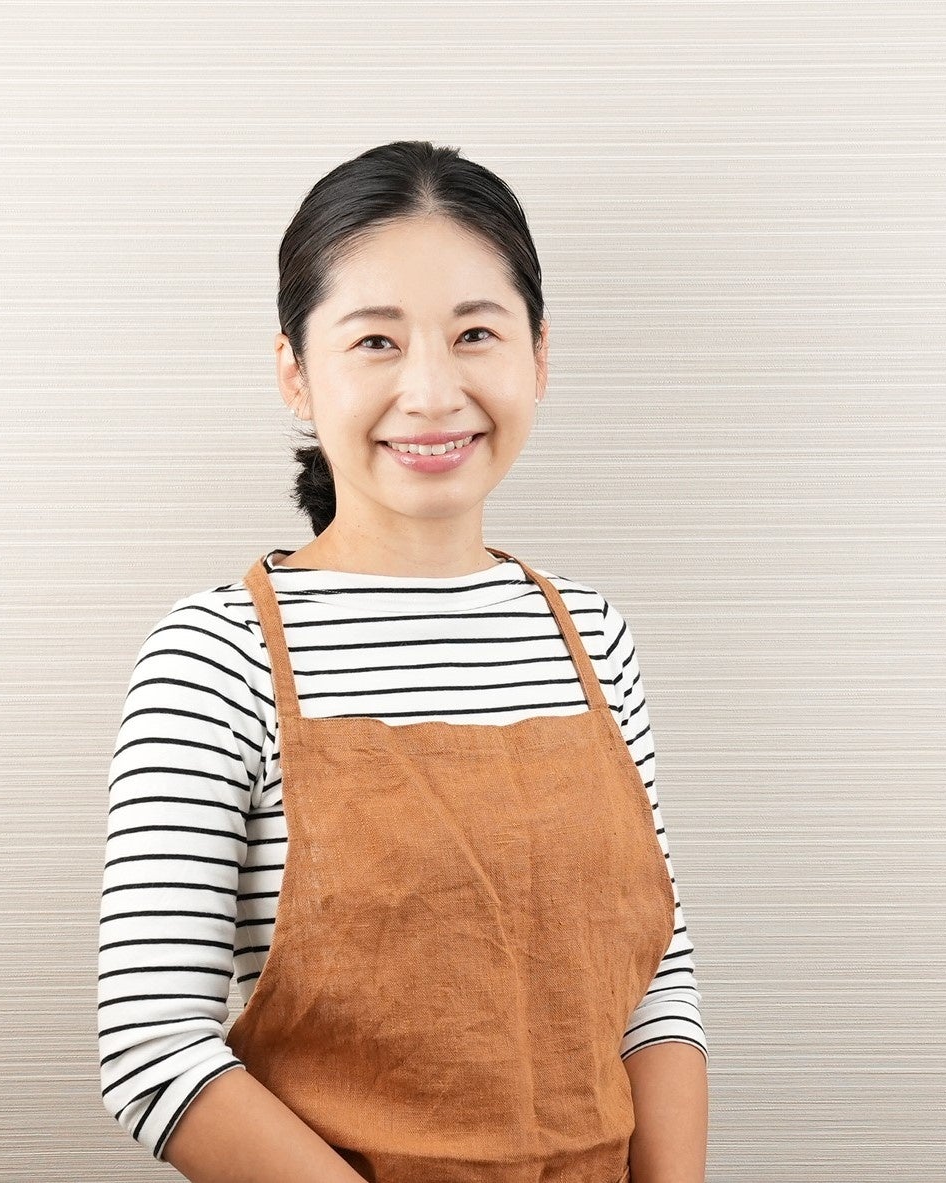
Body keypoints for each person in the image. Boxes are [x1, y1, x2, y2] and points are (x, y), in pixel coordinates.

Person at [98, 140, 708, 1183]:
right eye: (375, 341)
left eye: (475, 333)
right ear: (296, 373)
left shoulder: (591, 634)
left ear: (537, 356)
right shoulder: (218, 652)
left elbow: (654, 988)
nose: (430, 391)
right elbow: (150, 1048)